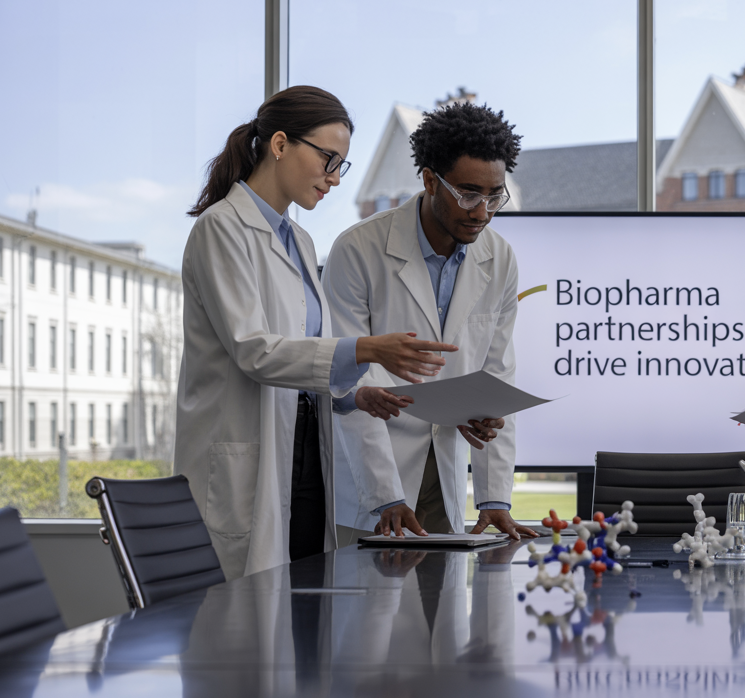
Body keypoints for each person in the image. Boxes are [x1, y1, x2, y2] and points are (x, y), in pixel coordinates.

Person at [177, 86, 456, 579]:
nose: (333, 179)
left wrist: (353, 395)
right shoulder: (221, 228)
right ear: (280, 145)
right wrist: (368, 348)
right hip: (249, 458)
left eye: (341, 165)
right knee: (244, 629)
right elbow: (254, 352)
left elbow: (306, 360)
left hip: (304, 459)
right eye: (328, 159)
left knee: (301, 620)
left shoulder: (301, 241)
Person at [324, 102, 536, 542]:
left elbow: (497, 376)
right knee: (369, 605)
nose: (481, 211)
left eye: (494, 196)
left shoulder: (499, 258)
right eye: (468, 193)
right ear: (429, 180)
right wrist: (385, 495)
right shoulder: (359, 249)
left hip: (445, 469)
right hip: (371, 474)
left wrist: (495, 499)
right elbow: (343, 377)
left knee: (444, 607)